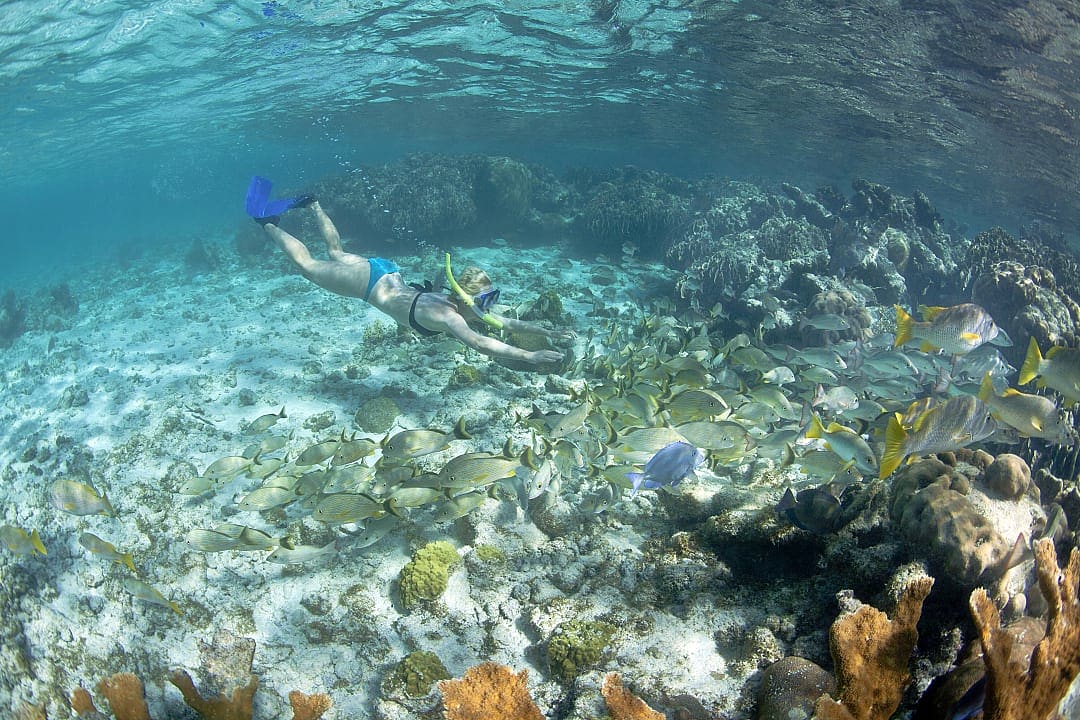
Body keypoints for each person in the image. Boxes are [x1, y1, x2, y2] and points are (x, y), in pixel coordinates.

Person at [245, 176, 571, 366]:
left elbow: (508, 322)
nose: (490, 308)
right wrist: (528, 357)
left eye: (491, 300)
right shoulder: (450, 317)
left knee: (336, 252)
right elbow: (481, 344)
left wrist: (550, 334)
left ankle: (313, 204)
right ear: (465, 298)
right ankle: (267, 224)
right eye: (485, 301)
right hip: (371, 282)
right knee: (310, 266)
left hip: (386, 271)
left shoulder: (461, 306)